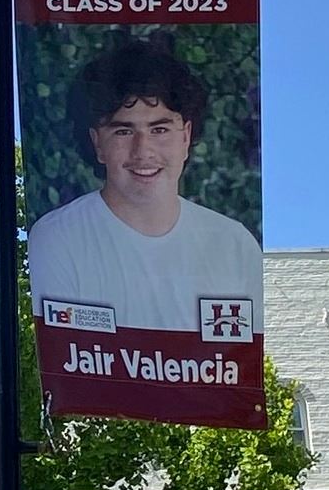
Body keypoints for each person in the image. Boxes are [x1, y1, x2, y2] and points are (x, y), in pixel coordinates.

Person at [27, 39, 263, 335]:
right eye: (124, 131)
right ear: (97, 142)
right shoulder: (57, 238)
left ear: (186, 136)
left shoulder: (235, 245)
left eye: (160, 129)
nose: (143, 151)